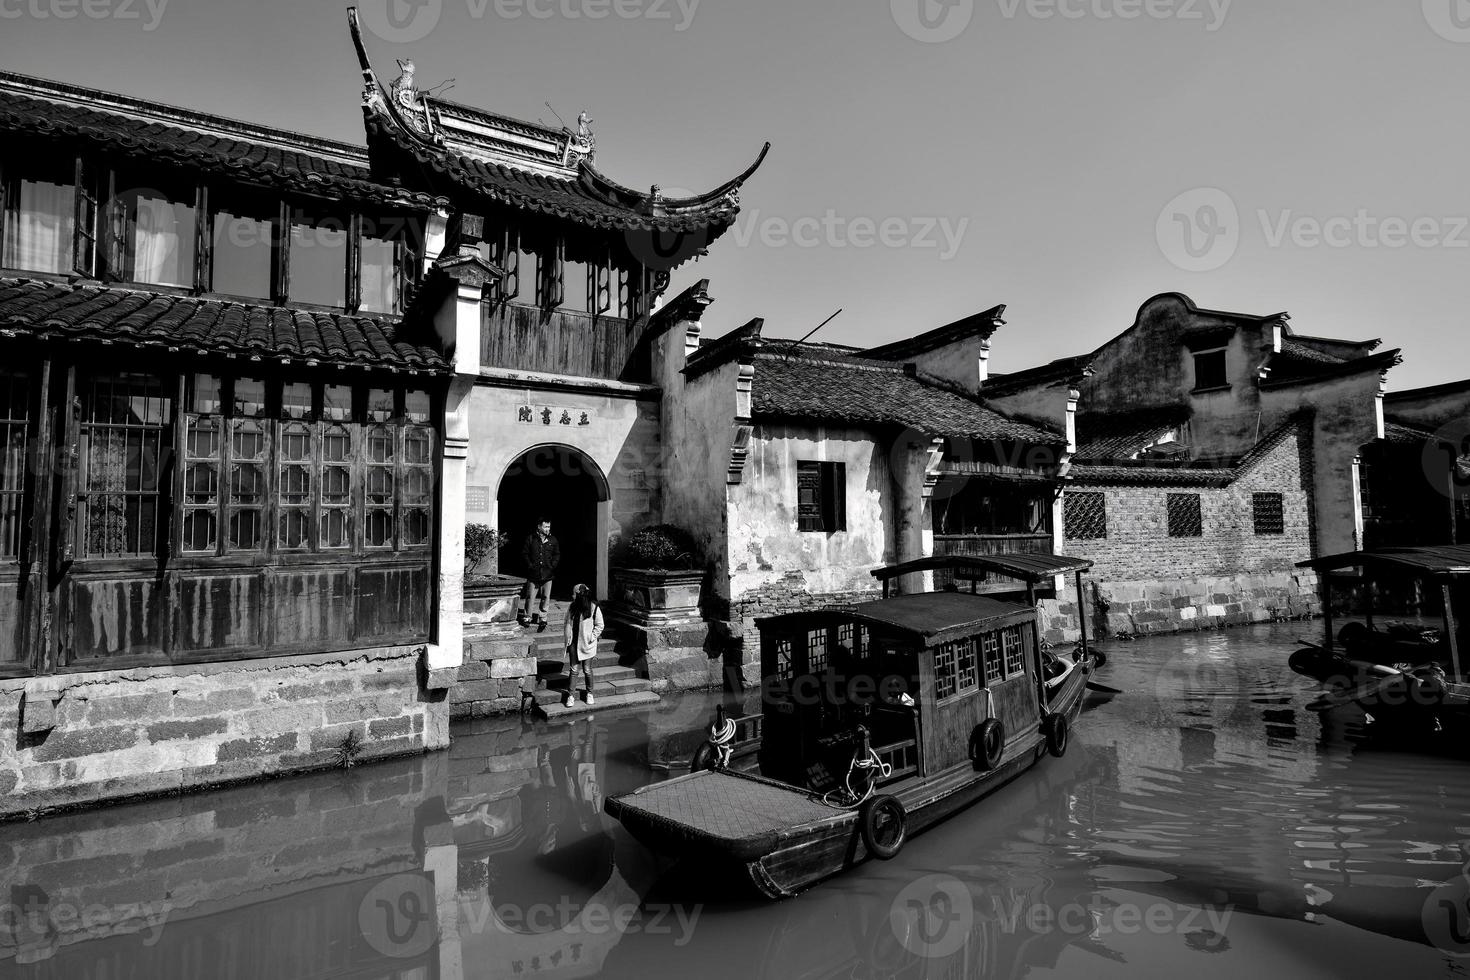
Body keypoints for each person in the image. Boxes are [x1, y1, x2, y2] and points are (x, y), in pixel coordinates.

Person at [563, 583, 603, 706]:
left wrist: (592, 636)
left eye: (574, 594)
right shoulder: (572, 607)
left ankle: (589, 693)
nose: (572, 596)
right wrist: (567, 637)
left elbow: (600, 625)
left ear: (580, 595)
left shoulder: (593, 608)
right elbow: (566, 622)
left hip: (587, 644)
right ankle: (571, 696)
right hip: (574, 643)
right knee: (574, 670)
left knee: (587, 670)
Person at [518, 519, 560, 631]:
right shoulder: (531, 539)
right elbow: (525, 553)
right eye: (545, 526)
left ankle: (543, 618)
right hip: (533, 574)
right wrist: (530, 565)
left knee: (546, 597)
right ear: (539, 527)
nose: (547, 529)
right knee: (530, 597)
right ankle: (527, 617)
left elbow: (557, 554)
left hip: (548, 574)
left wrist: (552, 565)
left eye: (549, 527)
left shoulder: (552, 540)